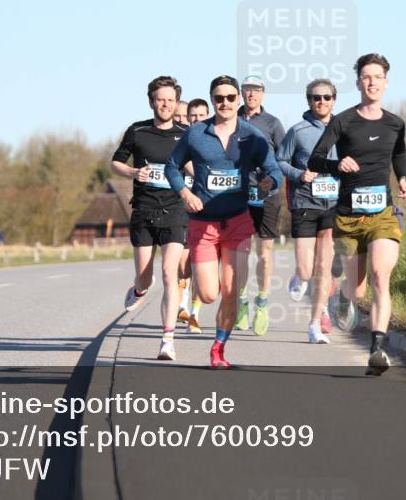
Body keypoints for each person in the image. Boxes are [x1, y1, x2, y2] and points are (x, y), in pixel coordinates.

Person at [166, 76, 282, 369]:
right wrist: (184, 193)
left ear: (238, 99)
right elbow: (172, 166)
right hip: (203, 224)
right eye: (219, 98)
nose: (225, 102)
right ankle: (203, 284)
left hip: (238, 222)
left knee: (231, 291)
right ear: (212, 100)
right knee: (208, 294)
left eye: (231, 97)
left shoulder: (252, 136)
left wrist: (270, 181)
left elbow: (273, 169)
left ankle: (218, 349)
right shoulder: (195, 134)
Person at [308, 54, 406, 376]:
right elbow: (315, 159)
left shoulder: (395, 123)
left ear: (386, 82)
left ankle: (377, 348)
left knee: (381, 276)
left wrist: (404, 180)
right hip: (348, 217)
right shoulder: (343, 121)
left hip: (382, 213)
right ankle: (343, 296)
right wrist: (336, 164)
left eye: (377, 77)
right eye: (366, 77)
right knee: (357, 290)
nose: (372, 82)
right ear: (358, 83)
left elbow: (398, 154)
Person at [111, 76, 189, 361]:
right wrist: (133, 172)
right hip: (144, 209)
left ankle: (167, 340)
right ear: (151, 102)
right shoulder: (138, 130)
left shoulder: (187, 134)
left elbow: (195, 165)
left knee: (170, 273)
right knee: (145, 277)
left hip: (175, 210)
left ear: (176, 103)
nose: (165, 104)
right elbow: (115, 162)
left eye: (170, 100)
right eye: (160, 99)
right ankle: (140, 289)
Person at [277, 78, 340, 344]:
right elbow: (280, 160)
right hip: (304, 203)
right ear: (308, 101)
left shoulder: (344, 129)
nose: (321, 102)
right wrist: (299, 174)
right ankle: (299, 276)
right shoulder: (298, 131)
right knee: (306, 269)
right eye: (316, 97)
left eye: (326, 97)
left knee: (324, 266)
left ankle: (315, 323)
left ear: (334, 100)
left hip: (334, 204)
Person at [234, 75, 285, 337]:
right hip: (239, 194)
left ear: (263, 93)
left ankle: (262, 301)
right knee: (241, 251)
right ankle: (242, 302)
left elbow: (283, 159)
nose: (251, 94)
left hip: (267, 194)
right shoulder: (231, 119)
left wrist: (272, 178)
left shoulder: (273, 124)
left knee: (264, 252)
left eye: (256, 90)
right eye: (247, 90)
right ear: (241, 93)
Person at [179, 98, 211, 334]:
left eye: (201, 115)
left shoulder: (213, 140)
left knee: (199, 264)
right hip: (181, 209)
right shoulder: (180, 141)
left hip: (206, 210)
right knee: (183, 264)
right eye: (192, 116)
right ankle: (182, 303)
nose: (196, 119)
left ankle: (195, 315)